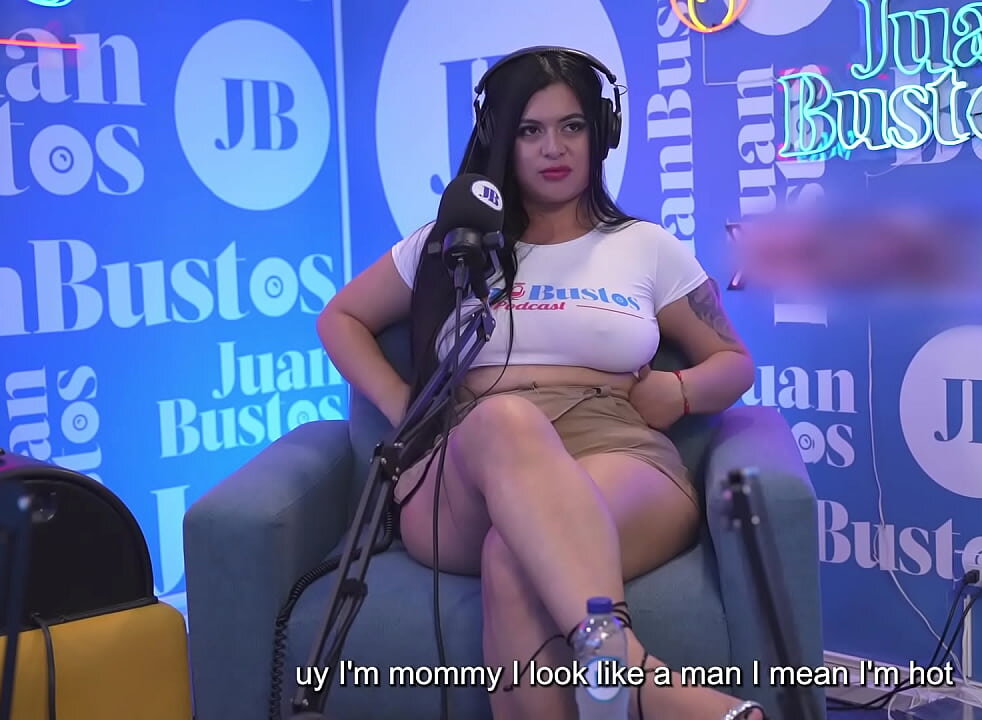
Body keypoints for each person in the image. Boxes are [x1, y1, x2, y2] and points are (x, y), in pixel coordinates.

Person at [317, 46, 766, 720]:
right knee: (506, 420)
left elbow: (734, 362)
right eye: (530, 130)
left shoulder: (646, 247)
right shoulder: (450, 246)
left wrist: (677, 393)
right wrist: (403, 406)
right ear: (500, 137)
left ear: (601, 133)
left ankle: (617, 673)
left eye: (572, 126)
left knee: (516, 555)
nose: (553, 148)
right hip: (467, 466)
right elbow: (340, 318)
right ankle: (633, 676)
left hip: (615, 447)